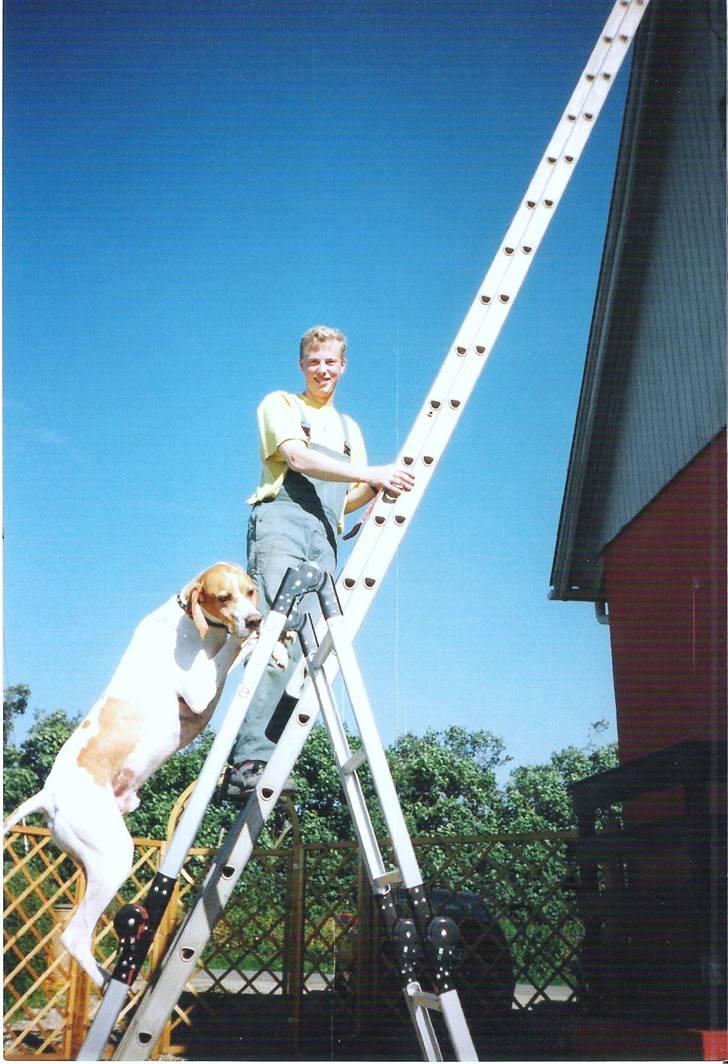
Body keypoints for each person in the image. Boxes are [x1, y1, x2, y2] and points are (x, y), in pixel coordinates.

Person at [226, 325, 415, 798]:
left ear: (343, 365)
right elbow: (298, 459)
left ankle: (270, 753)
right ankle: (249, 759)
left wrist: (379, 486)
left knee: (310, 654)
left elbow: (346, 496)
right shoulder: (281, 405)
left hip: (324, 538)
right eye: (314, 362)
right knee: (277, 638)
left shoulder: (350, 430)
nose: (323, 370)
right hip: (282, 524)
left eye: (331, 362)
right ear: (302, 365)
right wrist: (372, 474)